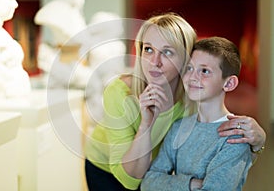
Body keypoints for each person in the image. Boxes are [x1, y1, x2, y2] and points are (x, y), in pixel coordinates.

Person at [84, 13, 266, 191]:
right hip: (105, 170)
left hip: (151, 172)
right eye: (148, 49)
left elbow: (223, 151)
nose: (154, 62)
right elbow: (130, 181)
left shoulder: (193, 93)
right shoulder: (120, 92)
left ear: (186, 58)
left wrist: (258, 143)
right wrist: (146, 125)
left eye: (167, 52)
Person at [141, 36, 254, 191]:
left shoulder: (235, 137)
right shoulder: (178, 127)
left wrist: (171, 183)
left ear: (229, 83)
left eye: (205, 71)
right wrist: (192, 184)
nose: (192, 77)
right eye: (189, 68)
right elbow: (149, 182)